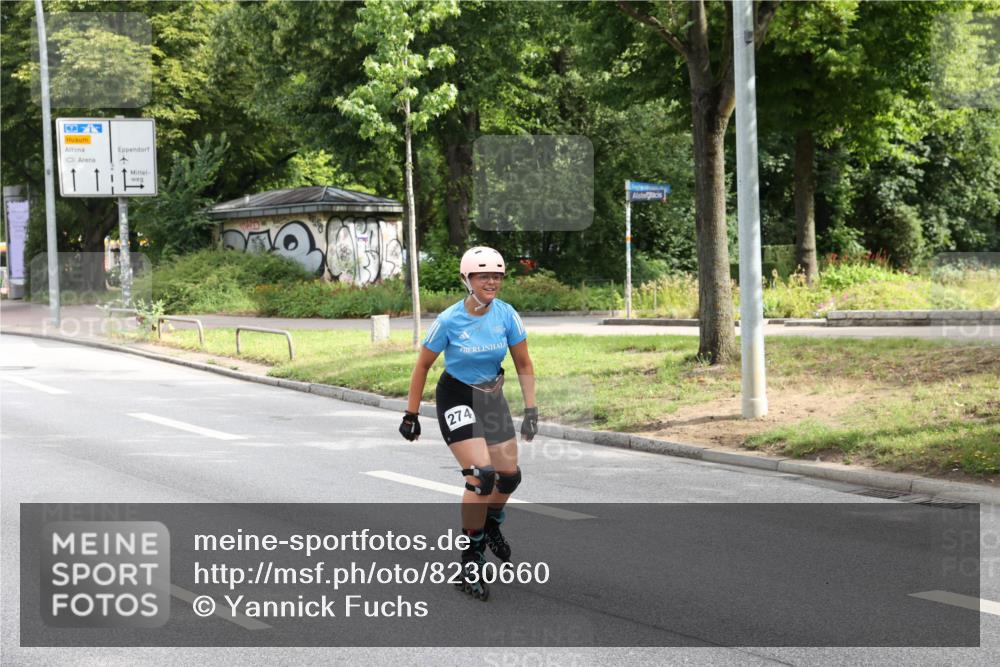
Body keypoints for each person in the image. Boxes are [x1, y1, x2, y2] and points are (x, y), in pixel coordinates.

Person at [399, 246, 538, 601]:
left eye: (496, 275)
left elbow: (523, 363)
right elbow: (422, 366)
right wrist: (411, 414)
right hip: (458, 396)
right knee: (481, 476)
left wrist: (531, 409)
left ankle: (491, 523)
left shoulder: (507, 315)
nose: (491, 281)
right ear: (467, 280)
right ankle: (470, 561)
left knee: (509, 476)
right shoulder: (449, 320)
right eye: (483, 275)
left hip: (491, 397)